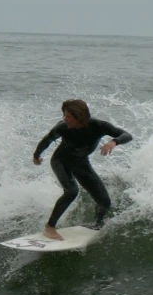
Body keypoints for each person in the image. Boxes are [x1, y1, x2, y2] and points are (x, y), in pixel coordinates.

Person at [33, 99, 132, 240]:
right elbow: (47, 140)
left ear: (79, 117)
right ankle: (49, 228)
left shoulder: (98, 125)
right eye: (64, 115)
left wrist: (113, 142)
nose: (64, 119)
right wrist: (36, 156)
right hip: (61, 161)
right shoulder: (62, 128)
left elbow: (127, 135)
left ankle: (98, 224)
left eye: (68, 116)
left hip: (81, 163)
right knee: (72, 191)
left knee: (104, 201)